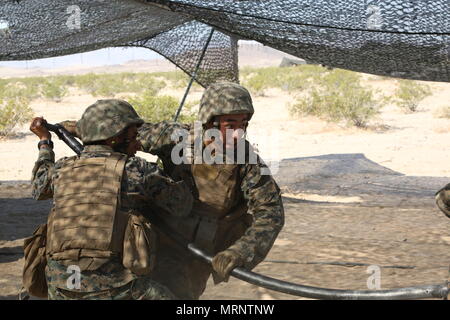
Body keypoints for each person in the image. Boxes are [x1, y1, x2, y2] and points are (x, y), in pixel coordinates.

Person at [30, 99, 193, 300]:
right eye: (133, 137)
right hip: (114, 286)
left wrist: (45, 142)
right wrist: (171, 158)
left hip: (60, 285)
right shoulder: (137, 169)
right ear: (114, 139)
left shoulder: (62, 169)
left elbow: (39, 188)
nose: (137, 144)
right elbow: (182, 205)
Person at [136, 82, 285, 299]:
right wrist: (81, 129)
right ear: (209, 121)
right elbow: (128, 134)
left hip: (199, 252)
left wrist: (241, 251)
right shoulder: (178, 138)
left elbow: (271, 214)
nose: (237, 134)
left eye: (243, 124)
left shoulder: (247, 161)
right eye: (230, 124)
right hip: (158, 238)